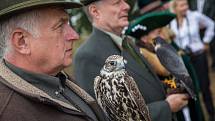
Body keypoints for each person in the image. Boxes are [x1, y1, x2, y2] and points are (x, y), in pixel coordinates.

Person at [74, 0, 188, 121]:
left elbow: (145, 81)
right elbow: (110, 116)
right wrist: (166, 107)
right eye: (117, 3)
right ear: (95, 11)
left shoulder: (127, 42)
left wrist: (170, 87)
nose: (127, 6)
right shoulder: (88, 56)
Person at [0, 0, 109, 121]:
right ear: (22, 42)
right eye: (59, 26)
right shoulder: (9, 113)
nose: (74, 35)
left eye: (67, 24)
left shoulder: (56, 78)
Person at [126, 11, 205, 121]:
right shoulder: (143, 59)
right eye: (158, 32)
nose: (163, 36)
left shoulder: (164, 47)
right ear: (144, 38)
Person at [170, 0, 215, 120]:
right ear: (175, 7)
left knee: (205, 88)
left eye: (186, 4)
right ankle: (198, 117)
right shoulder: (171, 22)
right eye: (182, 5)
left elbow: (211, 24)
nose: (186, 7)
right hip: (184, 60)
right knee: (191, 91)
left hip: (199, 56)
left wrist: (206, 41)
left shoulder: (194, 16)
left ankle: (211, 115)